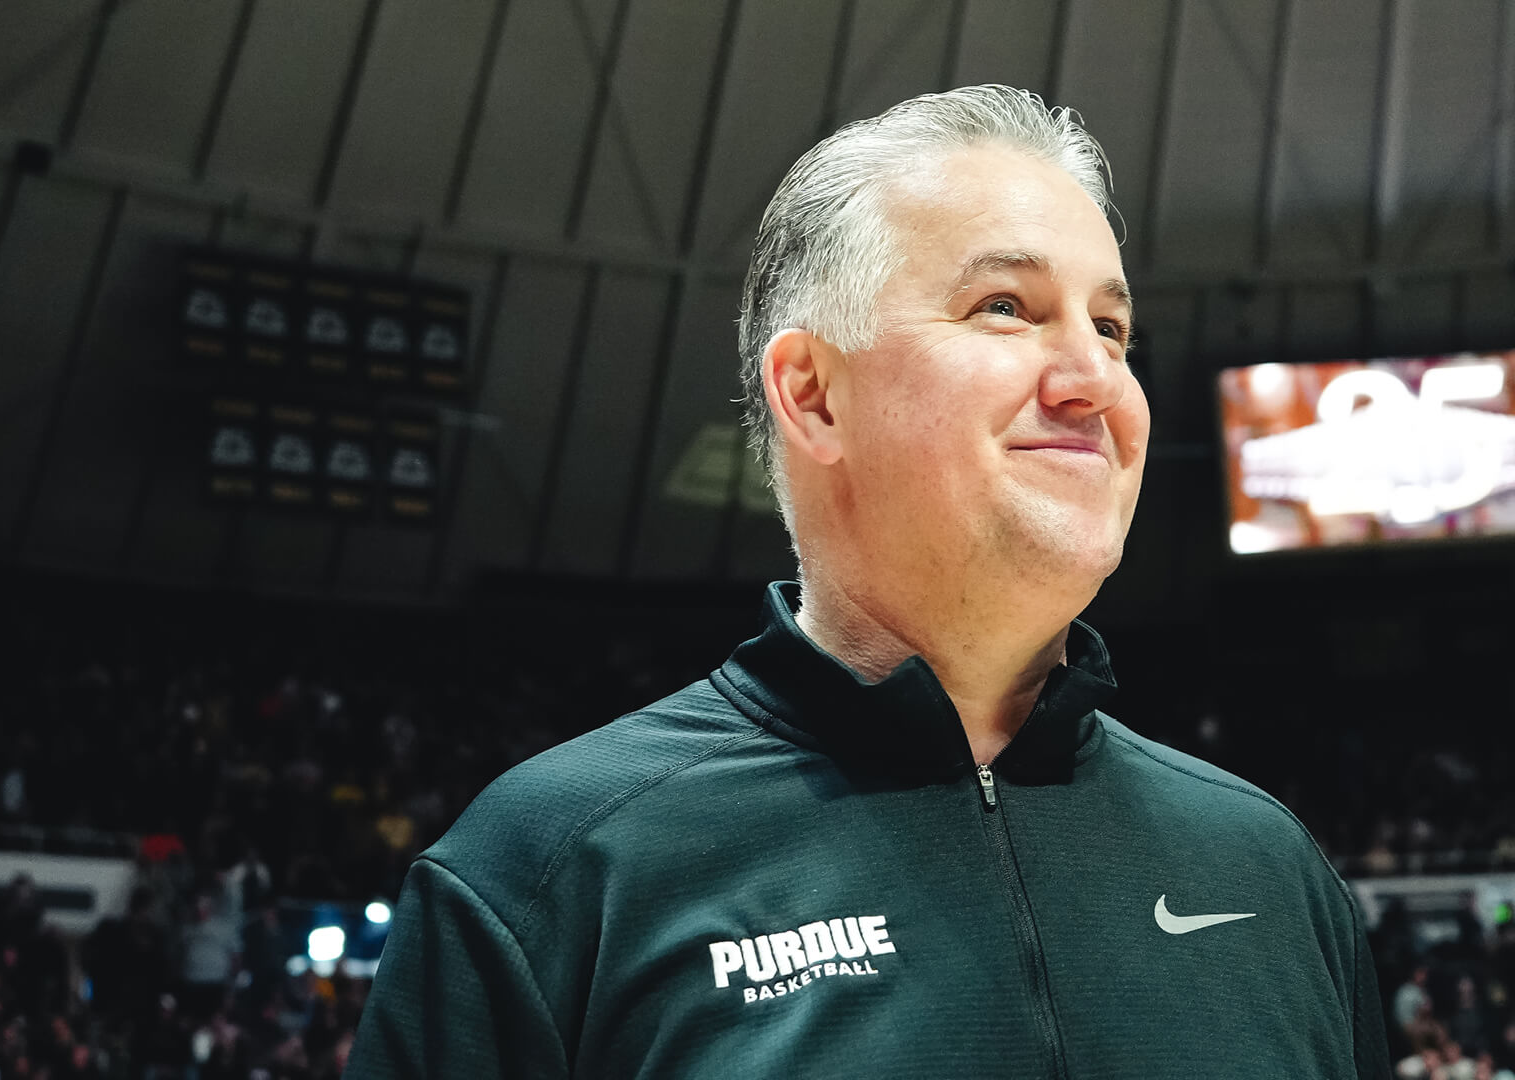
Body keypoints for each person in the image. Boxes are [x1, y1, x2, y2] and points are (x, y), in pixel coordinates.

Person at [346, 84, 1391, 1078]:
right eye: (1005, 306)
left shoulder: (1270, 868)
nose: (1096, 382)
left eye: (1112, 328)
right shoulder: (547, 876)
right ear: (815, 395)